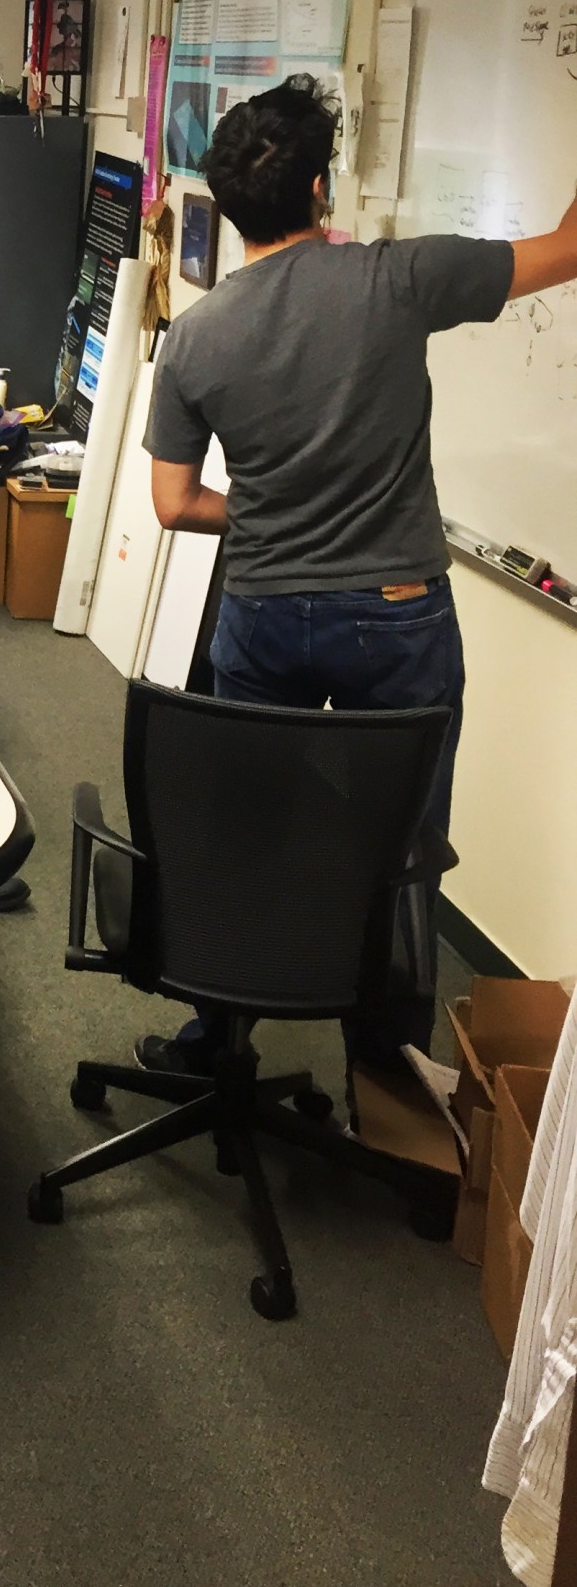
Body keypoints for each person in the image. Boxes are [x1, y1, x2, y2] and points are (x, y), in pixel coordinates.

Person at [142, 73, 577, 1078]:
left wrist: (263, 513)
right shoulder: (396, 279)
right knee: (402, 842)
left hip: (260, 612)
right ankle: (386, 1076)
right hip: (396, 614)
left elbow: (173, 503)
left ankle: (218, 1034)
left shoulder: (199, 337)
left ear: (228, 202)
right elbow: (563, 248)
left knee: (246, 825)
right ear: (321, 189)